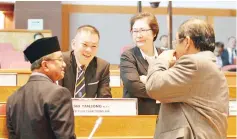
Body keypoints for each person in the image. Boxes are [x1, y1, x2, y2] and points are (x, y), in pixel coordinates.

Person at [144, 18, 229, 139]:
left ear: (187, 42)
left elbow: (153, 86)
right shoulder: (210, 64)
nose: (174, 49)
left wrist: (162, 59)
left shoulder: (193, 63)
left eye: (176, 42)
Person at [6, 36, 76, 139]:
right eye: (60, 59)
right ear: (45, 65)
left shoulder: (13, 98)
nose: (64, 64)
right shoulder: (59, 93)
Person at [120, 12, 160, 115]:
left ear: (154, 33)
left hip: (163, 115)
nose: (138, 35)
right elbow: (134, 87)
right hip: (136, 115)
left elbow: (174, 85)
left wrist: (146, 80)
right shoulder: (128, 56)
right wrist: (164, 92)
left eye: (143, 30)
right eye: (135, 31)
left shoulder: (165, 55)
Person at [59, 25, 112, 98]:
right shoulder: (60, 61)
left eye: (93, 46)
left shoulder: (102, 66)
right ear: (74, 44)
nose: (89, 50)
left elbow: (105, 99)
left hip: (89, 109)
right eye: (85, 44)